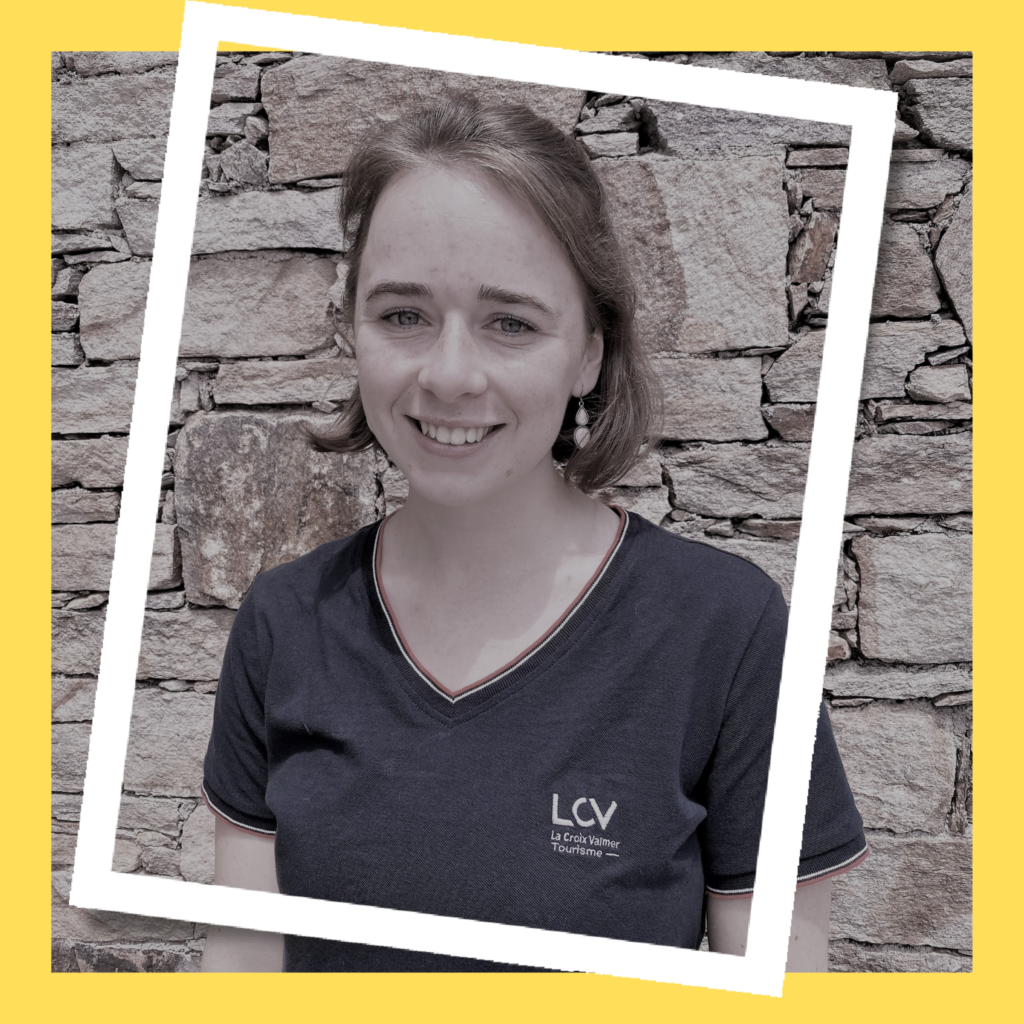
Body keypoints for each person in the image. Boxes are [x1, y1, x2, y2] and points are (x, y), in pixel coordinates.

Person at [200, 95, 867, 973]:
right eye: (402, 315)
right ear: (352, 329)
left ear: (590, 351)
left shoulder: (724, 630)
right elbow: (244, 965)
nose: (449, 375)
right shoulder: (286, 622)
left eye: (510, 323)